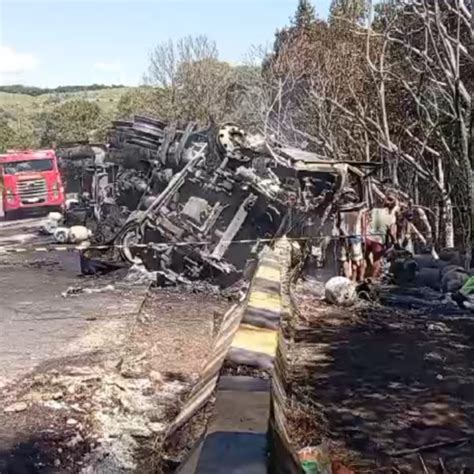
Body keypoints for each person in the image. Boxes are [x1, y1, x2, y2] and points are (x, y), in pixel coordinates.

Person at [336, 189, 367, 282]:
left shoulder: (340, 210)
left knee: (344, 259)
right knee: (356, 260)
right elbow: (363, 225)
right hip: (355, 237)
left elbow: (338, 224)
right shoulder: (359, 210)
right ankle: (354, 280)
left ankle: (348, 279)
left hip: (343, 237)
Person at [365, 195, 398, 278]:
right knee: (377, 260)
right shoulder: (392, 216)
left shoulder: (374, 210)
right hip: (378, 240)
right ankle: (373, 279)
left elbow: (366, 220)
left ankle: (362, 277)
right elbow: (392, 232)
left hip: (367, 237)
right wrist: (395, 241)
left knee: (365, 257)